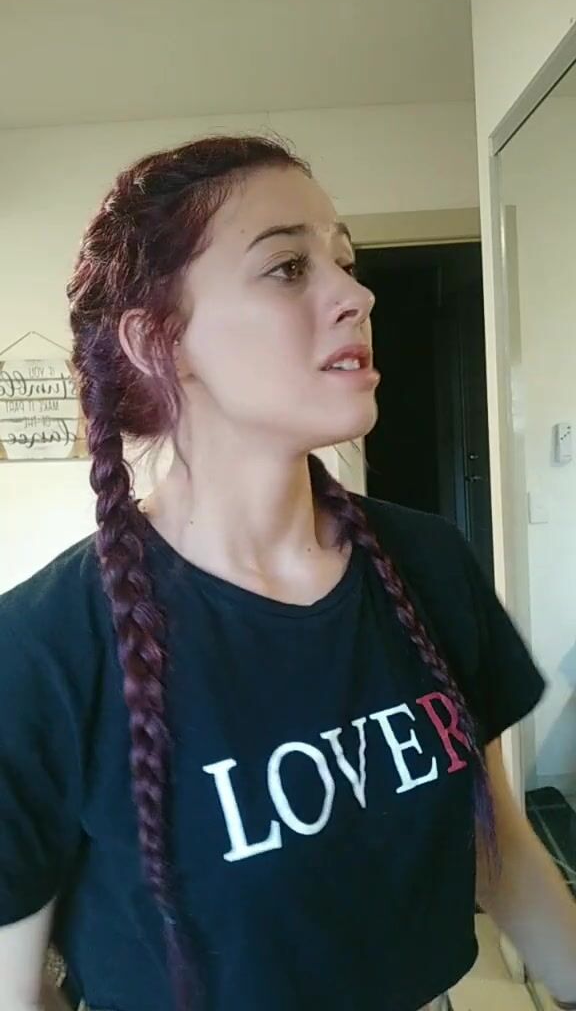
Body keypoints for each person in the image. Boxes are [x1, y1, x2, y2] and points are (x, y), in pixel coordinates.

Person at [0, 136, 575, 1011]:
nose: (357, 295)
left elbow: (499, 851)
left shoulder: (427, 561)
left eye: (344, 261)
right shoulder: (38, 652)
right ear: (158, 340)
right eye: (288, 267)